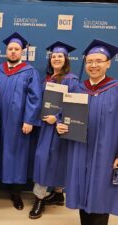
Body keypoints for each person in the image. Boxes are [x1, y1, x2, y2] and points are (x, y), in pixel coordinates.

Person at [57, 39, 118, 225]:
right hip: (80, 152)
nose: (93, 65)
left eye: (99, 61)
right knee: (83, 195)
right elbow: (63, 114)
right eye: (90, 61)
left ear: (108, 63)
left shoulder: (115, 90)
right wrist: (60, 124)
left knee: (100, 198)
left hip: (105, 155)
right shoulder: (78, 88)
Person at [0, 32, 42, 210]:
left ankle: (15, 192)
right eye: (10, 49)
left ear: (22, 52)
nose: (13, 52)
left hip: (18, 122)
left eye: (16, 49)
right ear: (6, 51)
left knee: (17, 155)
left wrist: (29, 120)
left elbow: (35, 98)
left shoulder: (30, 71)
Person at [29, 41, 79, 219]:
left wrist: (56, 119)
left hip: (59, 128)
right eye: (54, 56)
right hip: (45, 128)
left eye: (60, 56)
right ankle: (57, 194)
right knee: (46, 159)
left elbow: (75, 106)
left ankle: (40, 198)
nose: (56, 59)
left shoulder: (71, 80)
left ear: (66, 59)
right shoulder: (47, 79)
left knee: (55, 160)